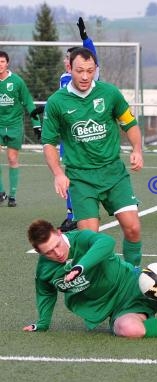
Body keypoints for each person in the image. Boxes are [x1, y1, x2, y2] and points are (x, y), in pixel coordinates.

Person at [23, 219, 157, 338]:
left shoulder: (81, 237)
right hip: (119, 309)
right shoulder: (45, 271)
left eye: (57, 245)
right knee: (128, 330)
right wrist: (41, 324)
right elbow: (45, 294)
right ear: (39, 252)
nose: (57, 253)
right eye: (49, 252)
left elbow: (105, 243)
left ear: (60, 234)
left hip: (137, 282)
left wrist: (81, 266)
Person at [40, 47, 144, 267]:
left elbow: (130, 124)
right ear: (70, 68)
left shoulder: (110, 93)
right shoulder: (57, 102)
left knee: (133, 229)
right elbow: (48, 143)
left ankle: (133, 277)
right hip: (81, 178)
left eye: (90, 70)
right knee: (91, 241)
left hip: (114, 174)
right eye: (79, 70)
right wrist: (58, 173)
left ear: (96, 69)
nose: (85, 76)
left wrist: (137, 149)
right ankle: (96, 285)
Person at [31, 17, 100, 232]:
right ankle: (72, 214)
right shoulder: (64, 78)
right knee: (69, 172)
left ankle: (120, 198)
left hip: (90, 132)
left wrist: (85, 38)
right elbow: (61, 99)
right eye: (66, 58)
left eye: (69, 57)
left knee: (98, 169)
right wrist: (44, 110)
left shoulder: (90, 74)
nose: (65, 61)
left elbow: (93, 57)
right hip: (68, 134)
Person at [0, 50, 41, 207]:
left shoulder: (17, 82)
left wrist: (37, 124)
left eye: (2, 61)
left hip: (14, 125)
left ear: (7, 63)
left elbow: (28, 103)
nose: (0, 64)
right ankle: (1, 192)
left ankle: (12, 195)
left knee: (12, 159)